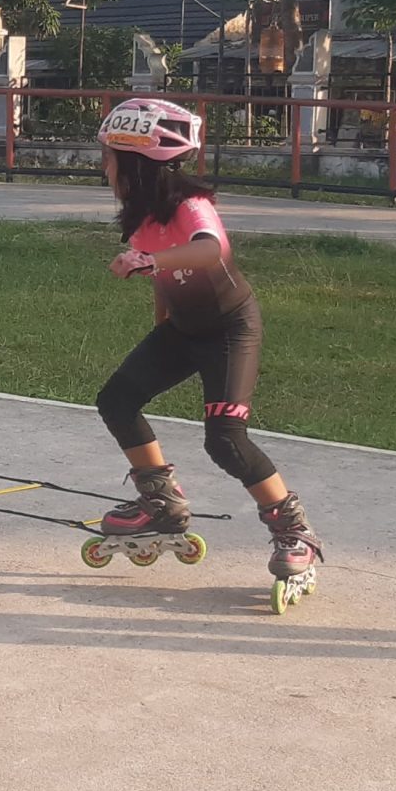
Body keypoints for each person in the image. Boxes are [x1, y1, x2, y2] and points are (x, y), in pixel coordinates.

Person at [87, 98, 325, 606]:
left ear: (134, 163)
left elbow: (209, 249)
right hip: (183, 330)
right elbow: (165, 281)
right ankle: (161, 504)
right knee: (117, 400)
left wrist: (149, 260)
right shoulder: (141, 213)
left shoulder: (191, 206)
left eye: (108, 158)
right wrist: (159, 330)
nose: (103, 168)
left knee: (225, 441)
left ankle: (294, 530)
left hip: (229, 330)